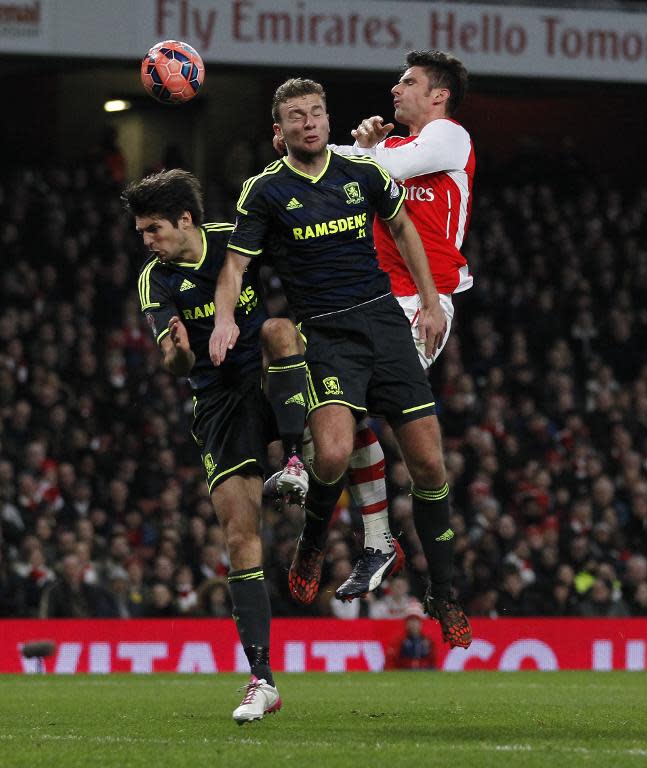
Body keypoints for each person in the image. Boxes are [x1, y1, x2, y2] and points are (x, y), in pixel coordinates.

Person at [210, 78, 471, 649]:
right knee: (329, 451)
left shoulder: (364, 172)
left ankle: (444, 591)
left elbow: (403, 228)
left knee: (429, 464)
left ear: (328, 122)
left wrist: (429, 301)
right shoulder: (265, 191)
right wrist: (225, 318)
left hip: (382, 322)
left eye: (318, 113)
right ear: (279, 134)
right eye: (297, 116)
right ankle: (313, 543)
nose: (311, 122)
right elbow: (234, 266)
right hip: (325, 332)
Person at [269, 51, 475, 609]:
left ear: (438, 96)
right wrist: (359, 147)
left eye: (408, 82)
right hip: (376, 303)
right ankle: (379, 541)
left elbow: (372, 173)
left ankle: (385, 542)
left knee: (360, 416)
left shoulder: (450, 138)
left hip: (424, 304)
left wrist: (343, 148)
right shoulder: (395, 146)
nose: (395, 89)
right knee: (341, 413)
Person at [122, 169, 307, 724]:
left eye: (153, 230)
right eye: (141, 233)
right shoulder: (154, 280)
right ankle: (263, 679)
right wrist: (177, 352)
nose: (147, 242)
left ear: (186, 220)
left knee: (280, 330)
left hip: (270, 375)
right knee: (238, 534)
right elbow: (175, 362)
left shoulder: (235, 234)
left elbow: (297, 259)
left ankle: (296, 458)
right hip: (219, 402)